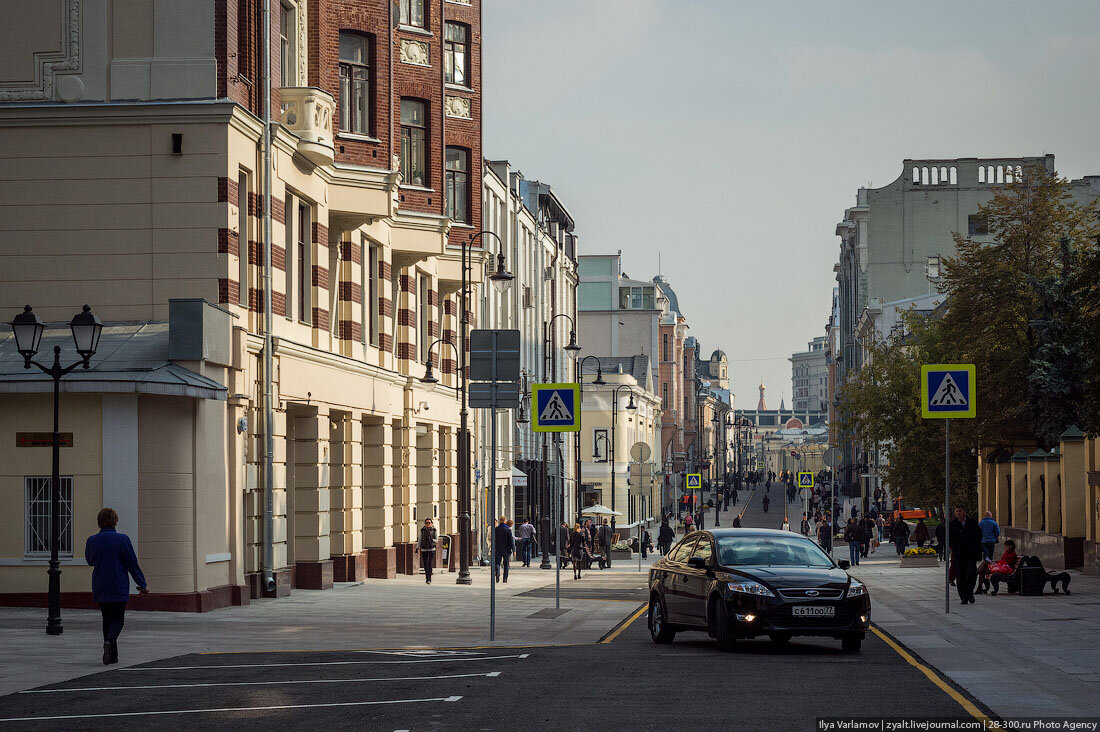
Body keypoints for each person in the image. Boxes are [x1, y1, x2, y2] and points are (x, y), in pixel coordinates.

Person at [85, 507, 148, 665]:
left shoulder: (92, 540)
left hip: (100, 583)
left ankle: (112, 656)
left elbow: (90, 560)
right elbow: (132, 563)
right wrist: (141, 583)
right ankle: (110, 641)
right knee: (118, 619)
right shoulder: (123, 540)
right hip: (118, 583)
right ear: (115, 521)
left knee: (106, 618)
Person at [949, 505, 983, 604]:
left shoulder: (972, 522)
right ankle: (963, 596)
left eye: (960, 511)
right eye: (956, 511)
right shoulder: (953, 524)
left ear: (964, 512)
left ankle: (970, 593)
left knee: (972, 573)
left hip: (971, 553)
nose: (958, 513)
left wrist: (978, 550)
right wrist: (954, 548)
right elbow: (950, 538)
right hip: (959, 554)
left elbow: (978, 536)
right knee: (961, 576)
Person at [494, 516, 515, 583]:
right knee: (506, 564)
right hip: (506, 550)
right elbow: (511, 541)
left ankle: (497, 572)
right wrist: (514, 550)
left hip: (498, 549)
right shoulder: (508, 530)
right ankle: (505, 578)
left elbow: (494, 540)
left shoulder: (496, 529)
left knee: (497, 563)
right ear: (505, 521)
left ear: (500, 521)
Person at [417, 518, 438, 584]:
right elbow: (420, 539)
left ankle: (429, 578)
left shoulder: (434, 530)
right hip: (424, 549)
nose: (428, 524)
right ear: (425, 524)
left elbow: (437, 540)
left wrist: (433, 540)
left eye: (429, 523)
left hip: (431, 549)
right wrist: (417, 547)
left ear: (431, 523)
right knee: (425, 564)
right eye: (426, 523)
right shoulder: (422, 530)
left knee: (429, 563)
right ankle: (427, 578)